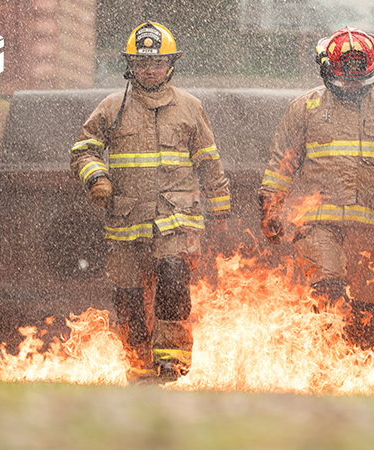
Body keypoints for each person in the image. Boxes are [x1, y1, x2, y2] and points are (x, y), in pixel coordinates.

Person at [70, 22, 231, 380]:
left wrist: (219, 211)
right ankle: (139, 363)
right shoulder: (112, 108)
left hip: (177, 219)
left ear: (171, 64)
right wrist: (96, 177)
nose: (150, 70)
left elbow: (209, 162)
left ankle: (171, 361)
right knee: (128, 298)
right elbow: (83, 150)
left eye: (157, 62)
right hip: (126, 222)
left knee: (173, 280)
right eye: (142, 63)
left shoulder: (191, 108)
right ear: (131, 65)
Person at [258, 26, 374, 351]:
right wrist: (270, 206)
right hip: (319, 226)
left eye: (358, 75)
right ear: (328, 68)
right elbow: (283, 163)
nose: (352, 82)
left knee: (367, 315)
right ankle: (327, 366)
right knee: (328, 294)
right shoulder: (305, 109)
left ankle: (357, 375)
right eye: (345, 74)